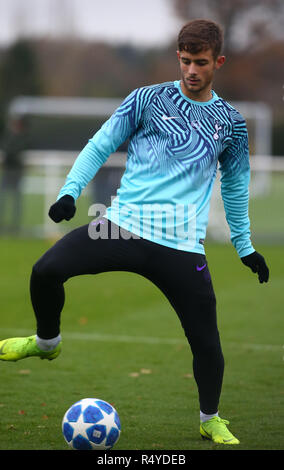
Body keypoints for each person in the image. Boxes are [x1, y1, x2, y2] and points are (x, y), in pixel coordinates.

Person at [0, 19, 269, 445]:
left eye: (201, 62)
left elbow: (235, 186)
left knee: (207, 343)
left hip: (181, 246)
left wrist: (245, 245)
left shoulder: (231, 123)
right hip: (120, 228)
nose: (191, 71)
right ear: (177, 58)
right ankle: (47, 342)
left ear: (218, 62)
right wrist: (70, 192)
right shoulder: (146, 99)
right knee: (46, 269)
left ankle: (210, 418)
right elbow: (100, 144)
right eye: (185, 61)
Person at [0, 116, 28, 233]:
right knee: (3, 198)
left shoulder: (23, 138)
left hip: (16, 172)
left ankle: (15, 225)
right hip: (8, 171)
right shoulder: (9, 137)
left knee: (16, 199)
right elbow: (6, 149)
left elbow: (12, 152)